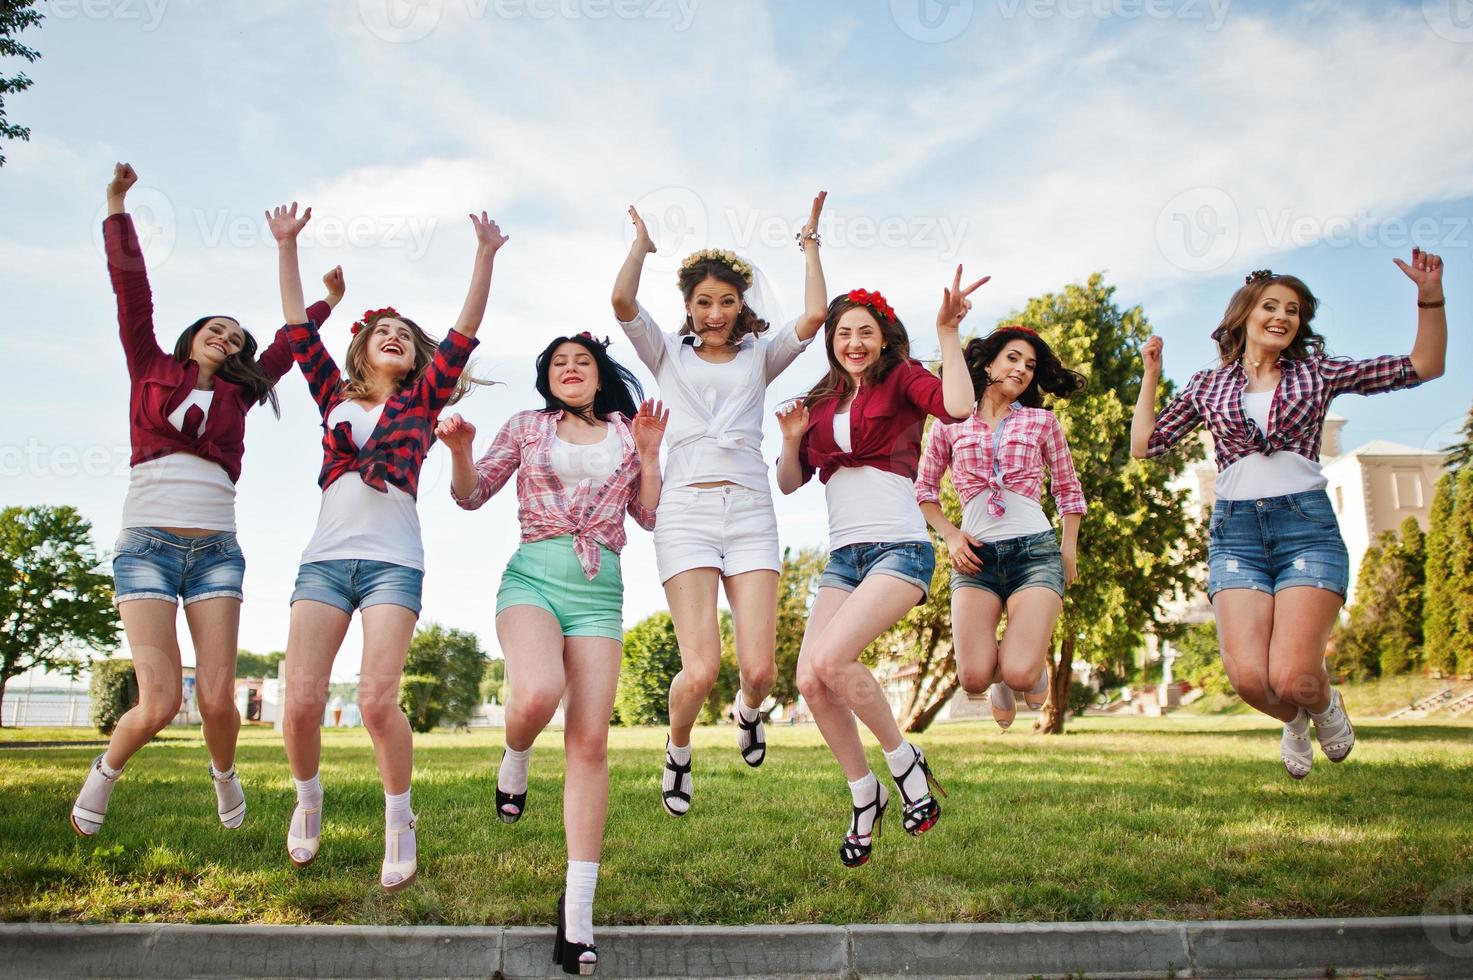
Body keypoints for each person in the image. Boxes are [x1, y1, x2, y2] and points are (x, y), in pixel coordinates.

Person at [71, 164, 342, 838]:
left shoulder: (240, 393)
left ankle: (224, 772)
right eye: (215, 330)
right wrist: (117, 206)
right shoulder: (148, 366)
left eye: (234, 337)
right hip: (147, 549)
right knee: (160, 699)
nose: (226, 339)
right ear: (192, 336)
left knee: (219, 698)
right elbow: (131, 288)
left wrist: (326, 306)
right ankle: (105, 772)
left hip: (216, 552)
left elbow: (287, 349)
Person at [1131, 253, 1446, 778]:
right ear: (1245, 315)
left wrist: (1429, 295)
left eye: (1294, 310)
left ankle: (1321, 705)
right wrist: (1151, 375)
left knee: (1297, 672)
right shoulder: (1209, 385)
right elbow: (1146, 444)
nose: (1282, 316)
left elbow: (1423, 365)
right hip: (1236, 535)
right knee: (1252, 680)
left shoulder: (1317, 372)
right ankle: (1297, 721)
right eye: (1271, 306)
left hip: (1306, 529)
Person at [270, 200, 505, 891]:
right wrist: (288, 245)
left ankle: (399, 819)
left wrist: (484, 257)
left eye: (406, 332)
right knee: (301, 700)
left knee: (377, 701)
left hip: (393, 564)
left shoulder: (423, 402)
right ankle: (307, 800)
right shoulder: (331, 394)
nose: (395, 335)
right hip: (324, 561)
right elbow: (292, 328)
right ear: (361, 348)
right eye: (383, 331)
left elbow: (462, 333)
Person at [440, 333, 665, 976]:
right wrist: (459, 452)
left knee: (589, 744)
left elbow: (648, 515)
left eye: (583, 362)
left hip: (601, 592)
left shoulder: (629, 430)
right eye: (559, 363)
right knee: (537, 692)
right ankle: (515, 754)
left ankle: (577, 914)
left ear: (599, 377)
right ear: (548, 378)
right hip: (531, 579)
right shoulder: (527, 427)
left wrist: (650, 455)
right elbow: (471, 493)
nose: (571, 370)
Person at [611, 194, 828, 816]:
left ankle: (750, 713)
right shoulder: (665, 353)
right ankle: (678, 752)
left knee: (759, 671)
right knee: (699, 669)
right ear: (688, 307)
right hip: (686, 515)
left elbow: (816, 314)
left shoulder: (761, 355)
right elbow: (623, 304)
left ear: (741, 305)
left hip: (752, 513)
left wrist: (809, 241)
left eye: (726, 302)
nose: (713, 313)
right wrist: (641, 248)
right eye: (702, 303)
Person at [775, 265, 983, 866]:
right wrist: (791, 440)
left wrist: (947, 333)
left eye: (864, 332)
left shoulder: (903, 379)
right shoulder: (820, 400)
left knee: (832, 659)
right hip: (844, 558)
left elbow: (958, 407)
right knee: (811, 678)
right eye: (843, 334)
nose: (853, 343)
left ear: (884, 337)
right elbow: (790, 484)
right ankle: (864, 794)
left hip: (899, 547)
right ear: (832, 341)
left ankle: (903, 760)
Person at [916, 326, 1086, 730]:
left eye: (1030, 365)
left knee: (1022, 673)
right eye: (1012, 358)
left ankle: (1023, 675)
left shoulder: (1042, 422)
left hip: (1035, 553)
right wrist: (951, 535)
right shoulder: (949, 421)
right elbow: (923, 489)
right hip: (975, 557)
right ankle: (1002, 682)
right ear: (989, 362)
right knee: (973, 677)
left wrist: (1068, 549)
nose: (1022, 369)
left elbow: (1067, 489)